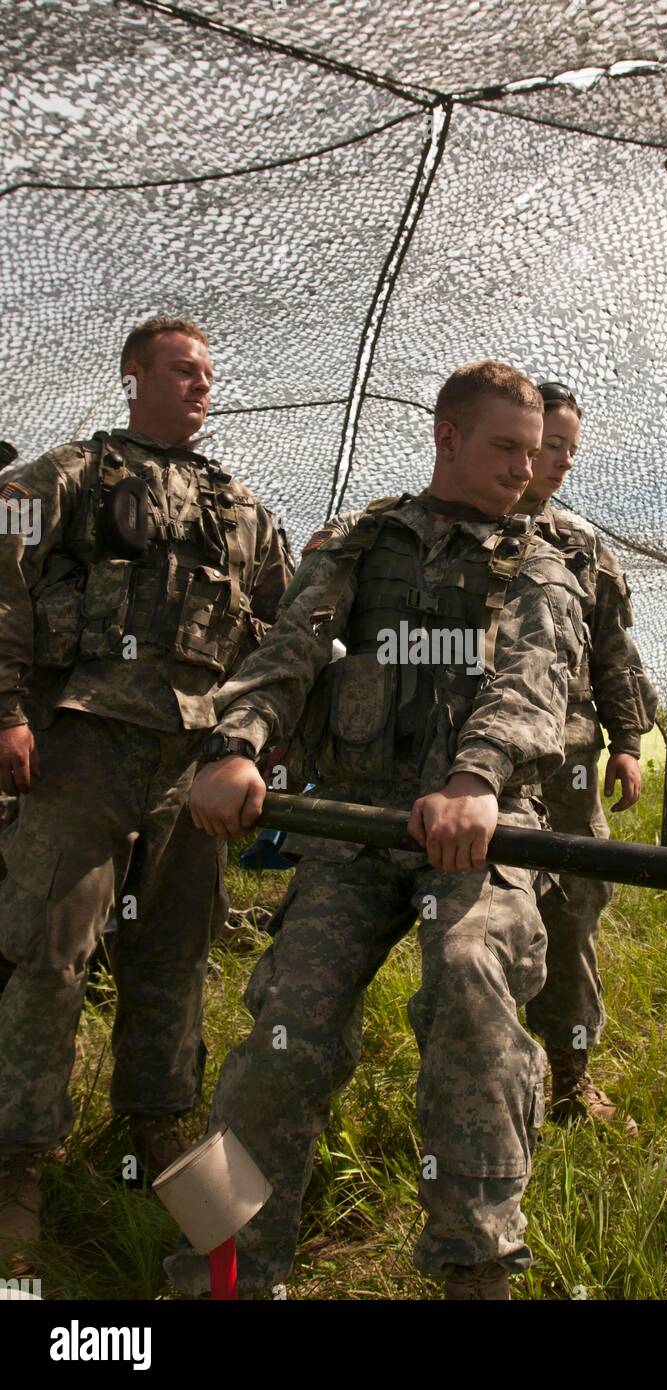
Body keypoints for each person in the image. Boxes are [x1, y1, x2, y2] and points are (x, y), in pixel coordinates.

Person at [164, 360, 586, 1301]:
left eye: (532, 449)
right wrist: (238, 744)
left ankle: (478, 1268)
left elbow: (530, 680)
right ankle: (218, 1268)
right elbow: (292, 647)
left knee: (474, 986)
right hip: (354, 828)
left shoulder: (541, 560)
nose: (525, 468)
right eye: (505, 447)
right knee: (284, 1029)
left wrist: (475, 779)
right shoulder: (360, 541)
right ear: (446, 438)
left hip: (484, 829)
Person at [0, 316, 292, 1273]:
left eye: (209, 372)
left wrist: (253, 746)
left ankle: (157, 1134)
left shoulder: (241, 509)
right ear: (133, 377)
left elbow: (283, 638)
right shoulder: (68, 477)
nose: (200, 385)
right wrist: (5, 708)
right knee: (48, 949)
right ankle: (17, 1166)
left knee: (173, 957)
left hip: (188, 767)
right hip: (77, 746)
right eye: (180, 370)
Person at [519, 381, 658, 1132]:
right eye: (550, 445)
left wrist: (627, 743)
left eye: (570, 449)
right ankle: (480, 1080)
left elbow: (614, 652)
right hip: (474, 769)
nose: (560, 462)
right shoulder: (456, 532)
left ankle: (570, 1081)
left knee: (571, 912)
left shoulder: (579, 543)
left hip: (569, 762)